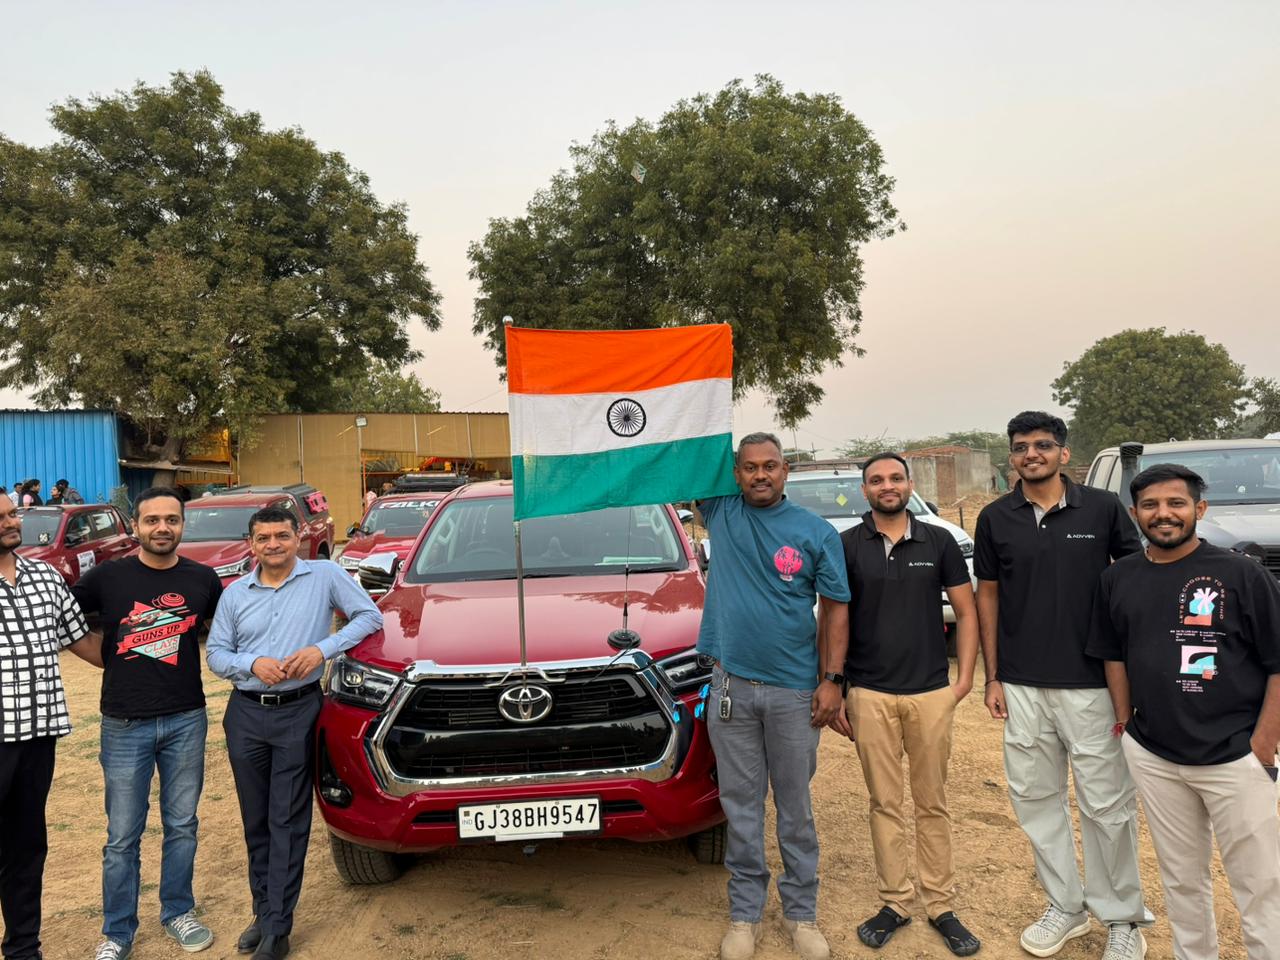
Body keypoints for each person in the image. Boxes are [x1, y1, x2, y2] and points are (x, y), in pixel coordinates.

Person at [974, 411, 1148, 959]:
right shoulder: (995, 518)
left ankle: (1122, 919)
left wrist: (1133, 672)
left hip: (1092, 683)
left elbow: (1136, 582)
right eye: (1021, 446)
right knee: (1036, 802)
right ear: (1011, 456)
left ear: (1063, 453)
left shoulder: (1102, 508)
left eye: (1043, 444)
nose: (1032, 453)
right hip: (1022, 685)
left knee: (1106, 806)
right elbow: (988, 596)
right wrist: (992, 675)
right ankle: (1066, 907)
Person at [1087, 463, 1280, 960]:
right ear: (1135, 514)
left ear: (1200, 508)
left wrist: (1262, 745)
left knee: (1260, 884)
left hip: (1235, 755)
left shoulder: (1242, 574)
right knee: (1181, 880)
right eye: (1150, 505)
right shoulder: (1118, 578)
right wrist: (1126, 723)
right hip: (1155, 754)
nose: (1163, 514)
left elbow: (1277, 663)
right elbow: (1113, 653)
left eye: (1176, 503)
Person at [697, 432, 850, 960]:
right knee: (740, 808)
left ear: (786, 470)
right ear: (736, 473)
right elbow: (692, 451)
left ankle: (801, 913)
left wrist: (832, 680)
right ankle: (745, 914)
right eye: (749, 467)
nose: (760, 475)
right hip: (731, 689)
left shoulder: (816, 532)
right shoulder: (721, 513)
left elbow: (836, 608)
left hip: (794, 691)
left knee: (794, 808)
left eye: (770, 466)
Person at [206, 506, 382, 960]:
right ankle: (263, 912)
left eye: (281, 536)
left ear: (298, 536)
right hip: (246, 714)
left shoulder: (324, 575)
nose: (273, 545)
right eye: (263, 538)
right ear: (251, 544)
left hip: (299, 711)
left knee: (286, 817)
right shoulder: (235, 594)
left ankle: (278, 928)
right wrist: (251, 663)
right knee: (256, 819)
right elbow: (217, 654)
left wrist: (322, 649)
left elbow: (369, 616)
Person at [832, 453, 981, 956]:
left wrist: (963, 681)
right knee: (884, 802)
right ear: (865, 490)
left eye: (896, 478)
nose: (887, 485)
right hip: (869, 693)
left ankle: (941, 904)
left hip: (930, 692)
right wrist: (836, 686)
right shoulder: (846, 545)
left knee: (932, 801)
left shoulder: (938, 541)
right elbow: (833, 619)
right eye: (877, 480)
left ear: (910, 484)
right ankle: (895, 900)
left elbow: (966, 611)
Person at [72, 487, 223, 959]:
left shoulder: (203, 579)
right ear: (135, 526)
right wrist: (102, 657)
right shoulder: (107, 577)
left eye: (171, 520)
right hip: (124, 723)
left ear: (182, 525)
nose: (162, 528)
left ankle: (178, 911)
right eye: (152, 520)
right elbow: (60, 617)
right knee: (122, 837)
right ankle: (117, 932)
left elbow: (227, 631)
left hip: (186, 719)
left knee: (182, 825)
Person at [0, 493, 99, 960]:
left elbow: (83, 642)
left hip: (38, 736)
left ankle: (24, 949)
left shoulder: (45, 576)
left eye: (11, 513)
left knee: (26, 848)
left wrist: (149, 645)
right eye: (0, 517)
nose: (10, 522)